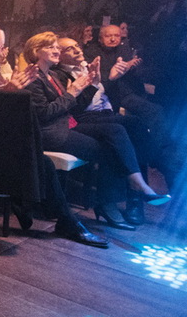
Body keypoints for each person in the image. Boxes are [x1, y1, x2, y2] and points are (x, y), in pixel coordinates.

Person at [0, 25, 106, 247]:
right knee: (39, 162)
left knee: (40, 161)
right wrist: (9, 92)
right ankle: (50, 215)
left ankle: (54, 216)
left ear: (3, 49)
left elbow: (0, 114)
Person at [23, 32, 168, 229]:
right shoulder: (35, 77)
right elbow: (46, 113)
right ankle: (119, 197)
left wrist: (91, 84)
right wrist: (73, 91)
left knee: (120, 132)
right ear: (35, 51)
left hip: (66, 125)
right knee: (111, 144)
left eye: (57, 47)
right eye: (51, 47)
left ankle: (125, 193)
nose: (56, 50)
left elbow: (69, 105)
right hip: (53, 132)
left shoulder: (51, 75)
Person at [52, 37, 155, 225]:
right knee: (121, 131)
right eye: (69, 49)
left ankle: (134, 192)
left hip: (103, 113)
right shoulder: (59, 75)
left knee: (134, 126)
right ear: (59, 56)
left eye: (76, 45)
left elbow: (101, 93)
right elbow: (75, 107)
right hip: (84, 119)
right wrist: (91, 84)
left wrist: (110, 79)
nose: (77, 49)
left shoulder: (87, 67)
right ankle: (135, 192)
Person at [84, 24, 180, 183]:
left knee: (156, 111)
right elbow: (97, 77)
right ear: (100, 39)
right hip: (107, 95)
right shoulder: (92, 52)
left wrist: (132, 66)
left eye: (117, 35)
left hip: (127, 92)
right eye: (108, 36)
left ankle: (158, 153)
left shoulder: (124, 49)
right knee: (150, 113)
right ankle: (156, 156)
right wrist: (119, 70)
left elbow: (133, 71)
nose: (113, 39)